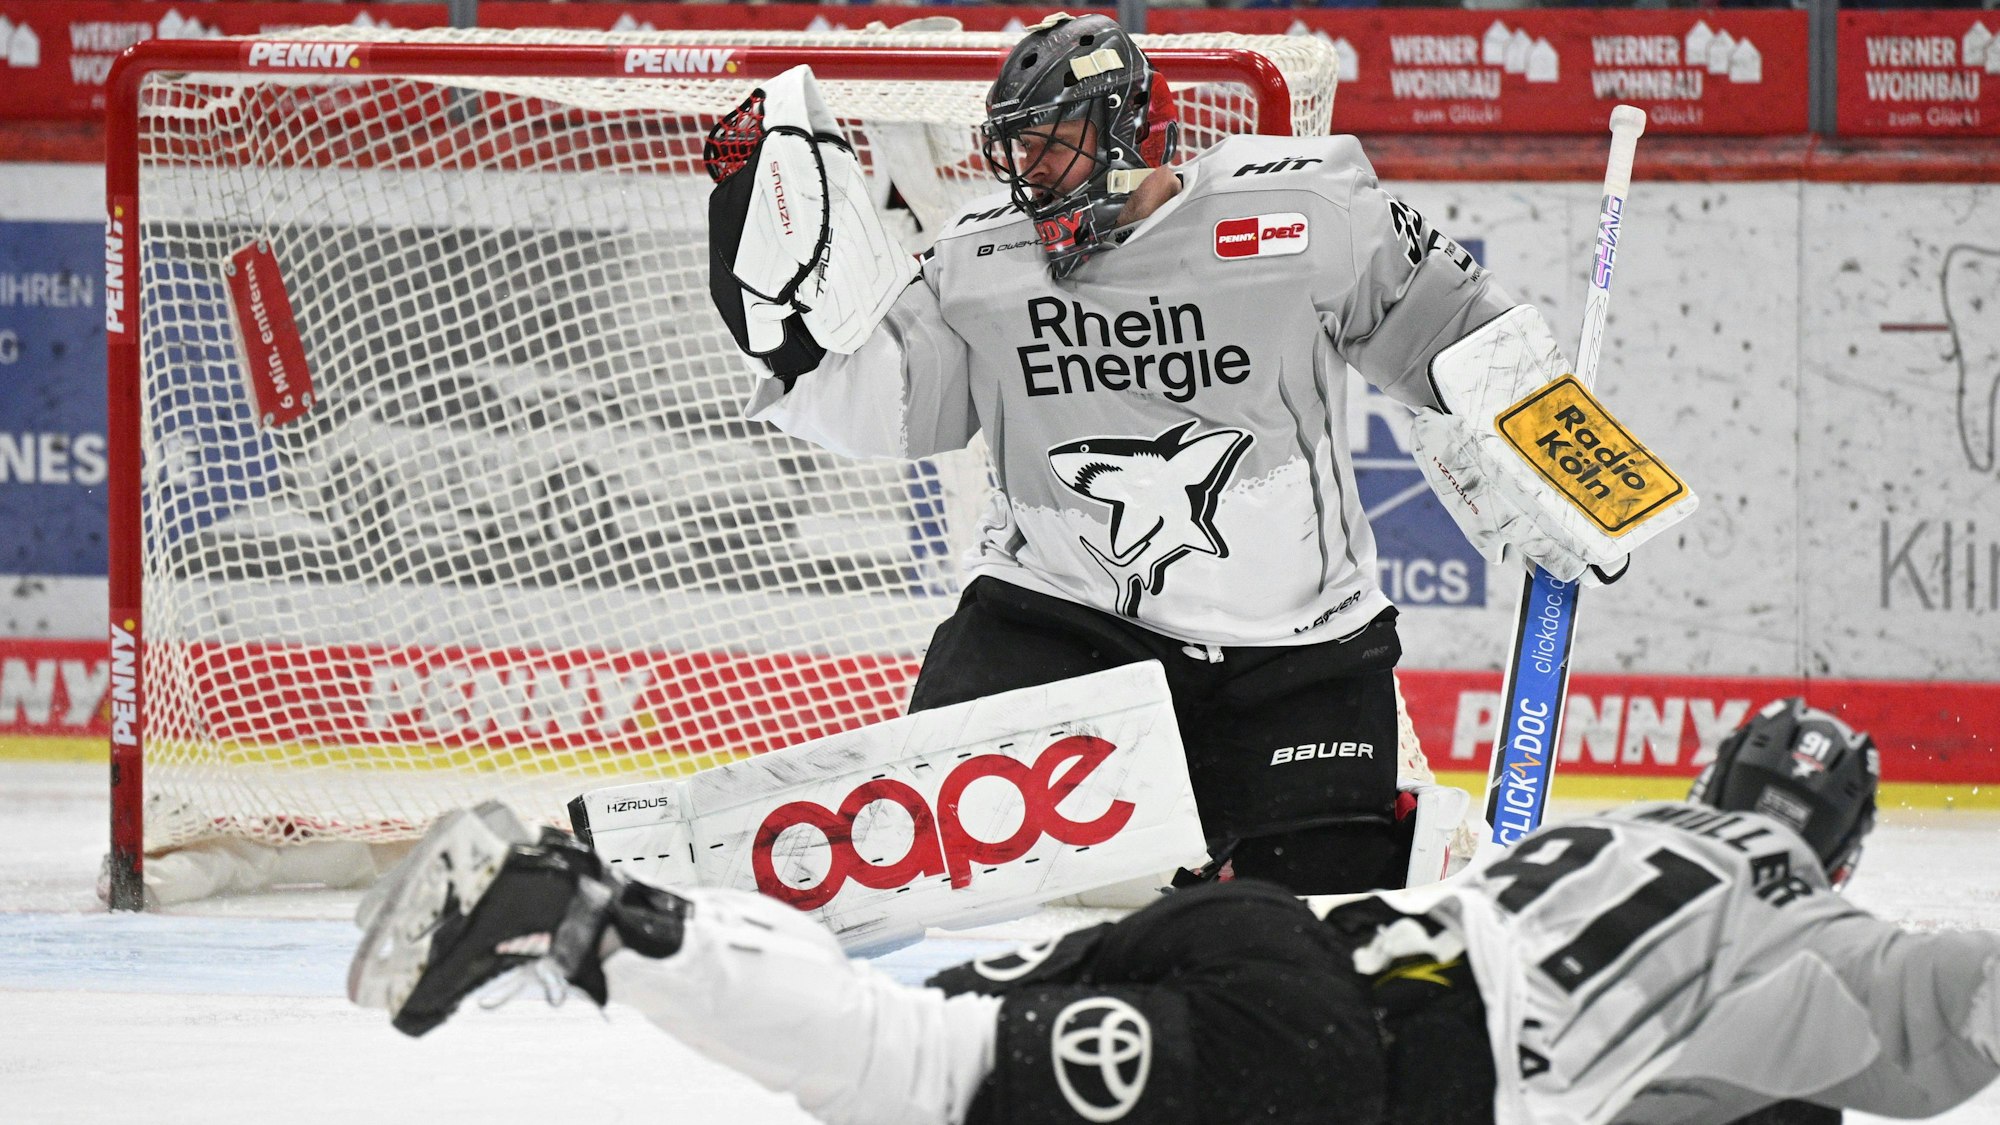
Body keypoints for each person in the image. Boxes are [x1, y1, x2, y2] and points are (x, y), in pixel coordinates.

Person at [702, 13, 1692, 896]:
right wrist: (784, 334)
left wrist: (1578, 483)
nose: (1031, 178)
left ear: (1134, 132)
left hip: (1294, 649)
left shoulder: (1306, 217)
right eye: (1020, 155)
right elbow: (890, 407)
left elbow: (1461, 338)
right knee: (937, 860)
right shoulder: (979, 263)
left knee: (1316, 896)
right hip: (1062, 624)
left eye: (1054, 148)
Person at [350, 697, 2000, 1125]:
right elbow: (1953, 1014)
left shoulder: (1614, 830)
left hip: (1295, 944)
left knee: (931, 1046)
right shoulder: (1825, 951)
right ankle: (581, 919)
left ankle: (619, 911)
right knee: (922, 1081)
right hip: (1337, 1065)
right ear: (1840, 847)